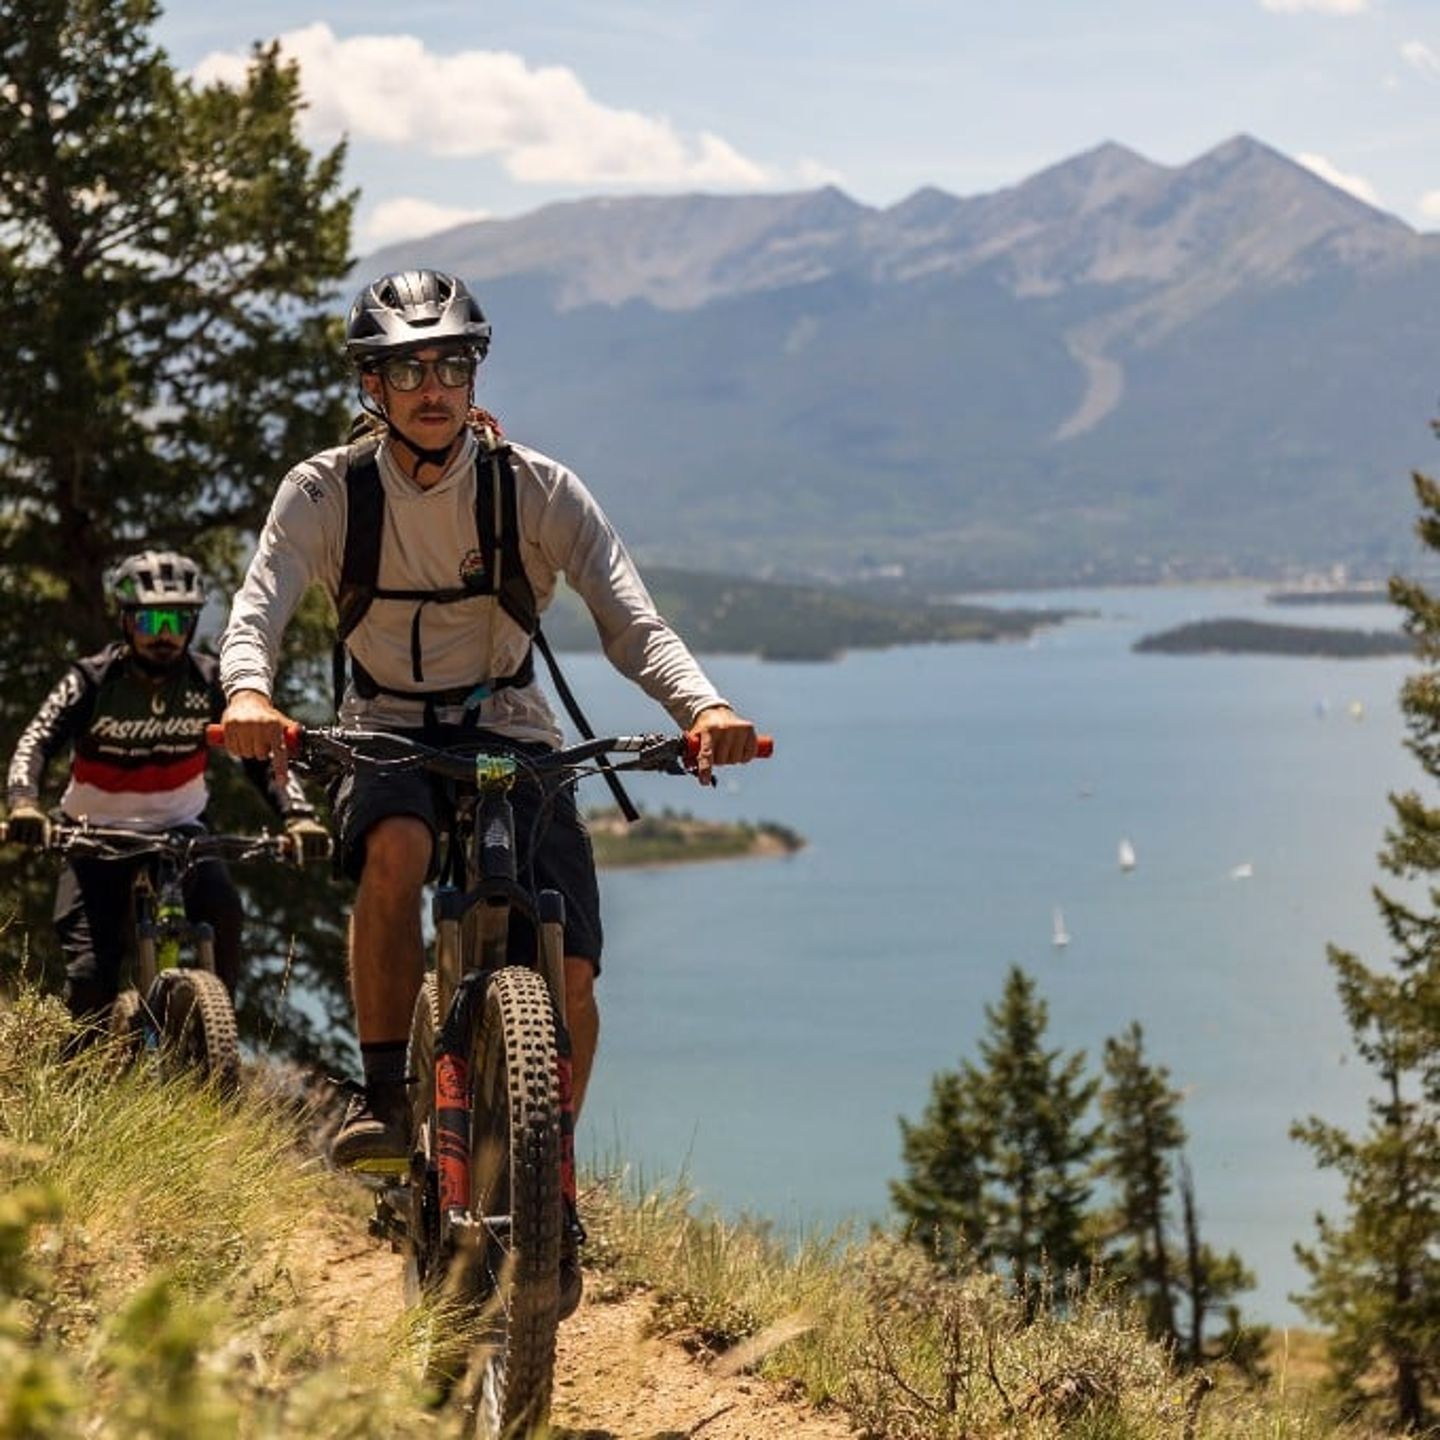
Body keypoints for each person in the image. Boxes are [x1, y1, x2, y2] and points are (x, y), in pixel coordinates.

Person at [215, 268, 761, 1308]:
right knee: (398, 852)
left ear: (475, 376)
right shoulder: (329, 492)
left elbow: (632, 621)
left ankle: (547, 1183)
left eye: (453, 364)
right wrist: (249, 690)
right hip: (383, 724)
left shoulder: (538, 489)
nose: (434, 386)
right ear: (371, 385)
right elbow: (262, 606)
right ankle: (385, 1098)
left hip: (511, 725)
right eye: (408, 368)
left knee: (575, 973)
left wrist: (705, 709)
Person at [4, 550, 330, 1030]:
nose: (164, 632)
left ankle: (211, 1045)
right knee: (91, 979)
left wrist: (298, 816)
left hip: (183, 831)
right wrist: (25, 805)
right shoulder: (92, 681)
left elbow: (260, 756)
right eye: (151, 618)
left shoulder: (208, 681)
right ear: (126, 621)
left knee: (223, 917)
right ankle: (90, 1081)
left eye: (178, 619)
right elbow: (35, 743)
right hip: (94, 837)